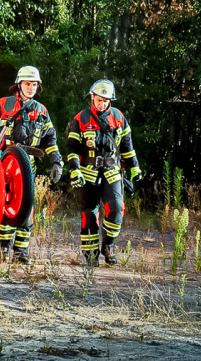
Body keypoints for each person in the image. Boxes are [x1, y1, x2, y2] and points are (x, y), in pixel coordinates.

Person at [65, 79, 141, 267]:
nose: (102, 104)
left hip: (113, 171)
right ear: (92, 96)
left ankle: (109, 246)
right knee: (89, 215)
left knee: (116, 208)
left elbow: (127, 147)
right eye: (99, 100)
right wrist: (74, 170)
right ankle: (90, 255)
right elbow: (72, 148)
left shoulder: (119, 117)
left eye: (106, 100)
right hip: (87, 173)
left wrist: (134, 168)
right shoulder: (80, 118)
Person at [0, 66, 63, 263]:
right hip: (5, 162)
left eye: (34, 84)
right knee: (7, 205)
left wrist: (56, 161)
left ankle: (21, 252)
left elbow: (50, 139)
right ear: (18, 85)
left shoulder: (41, 111)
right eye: (27, 84)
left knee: (28, 207)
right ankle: (5, 248)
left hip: (28, 165)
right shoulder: (3, 104)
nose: (31, 88)